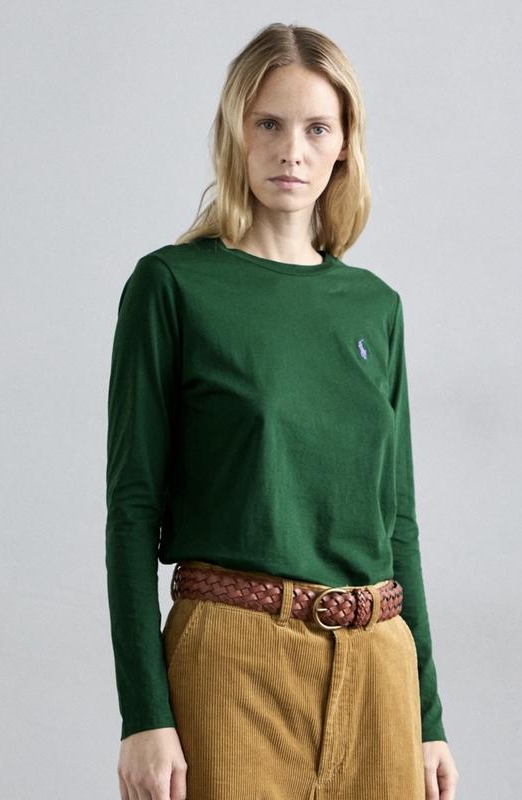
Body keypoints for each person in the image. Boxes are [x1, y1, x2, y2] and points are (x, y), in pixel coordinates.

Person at [105, 21, 460, 800]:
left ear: (344, 144)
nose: (290, 150)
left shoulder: (375, 307)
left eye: (316, 128)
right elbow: (131, 510)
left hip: (380, 668)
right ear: (235, 132)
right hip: (232, 661)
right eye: (268, 123)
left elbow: (398, 522)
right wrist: (144, 712)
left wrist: (428, 716)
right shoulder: (173, 287)